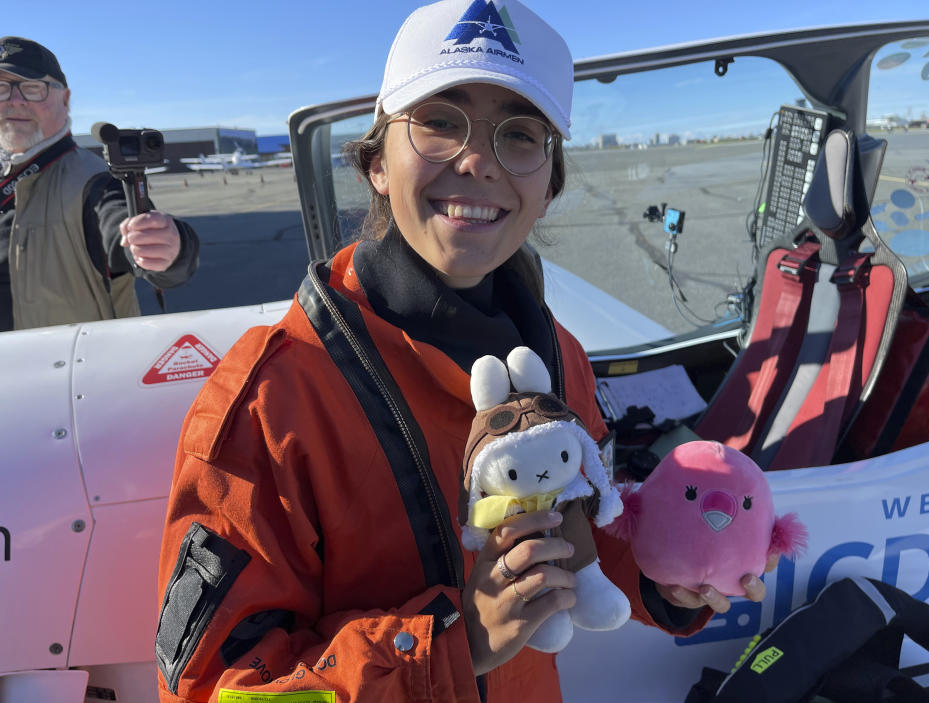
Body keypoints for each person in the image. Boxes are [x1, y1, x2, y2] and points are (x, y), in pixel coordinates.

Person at [155, 1, 770, 701]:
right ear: (376, 165)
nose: (478, 160)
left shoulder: (557, 353)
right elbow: (218, 687)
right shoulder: (267, 403)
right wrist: (453, 643)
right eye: (440, 122)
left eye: (520, 134)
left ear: (548, 186)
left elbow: (583, 529)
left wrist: (668, 579)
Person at [0, 36, 199, 332]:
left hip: (67, 371)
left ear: (65, 99)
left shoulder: (98, 183)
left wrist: (168, 247)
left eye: (33, 88)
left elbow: (124, 226)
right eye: (1, 89)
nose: (15, 100)